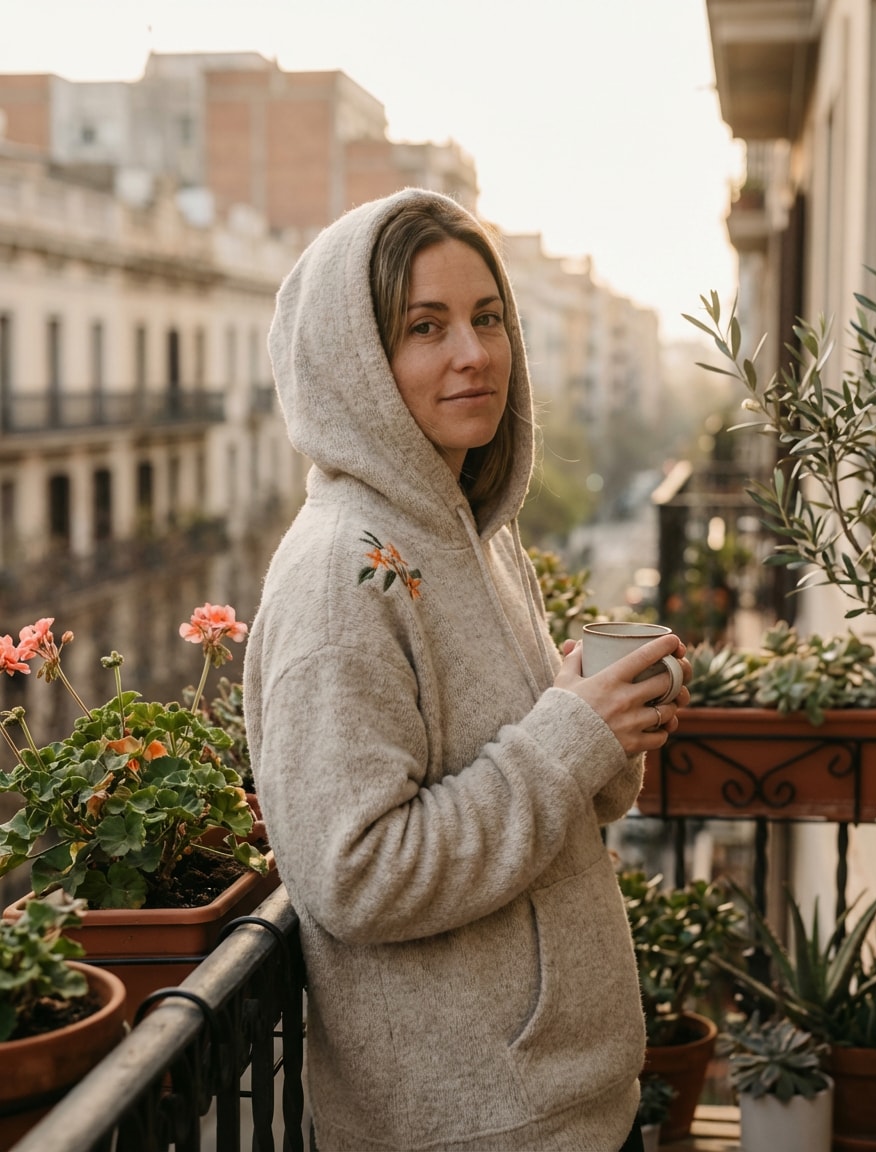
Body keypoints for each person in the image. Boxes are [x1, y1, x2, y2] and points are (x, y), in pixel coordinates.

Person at [243, 187, 690, 1152]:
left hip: (550, 1105)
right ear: (356, 362)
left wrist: (601, 718)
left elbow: (543, 781)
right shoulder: (343, 574)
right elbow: (355, 873)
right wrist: (570, 735)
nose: (474, 353)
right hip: (467, 1126)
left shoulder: (470, 531)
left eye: (488, 318)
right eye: (425, 326)